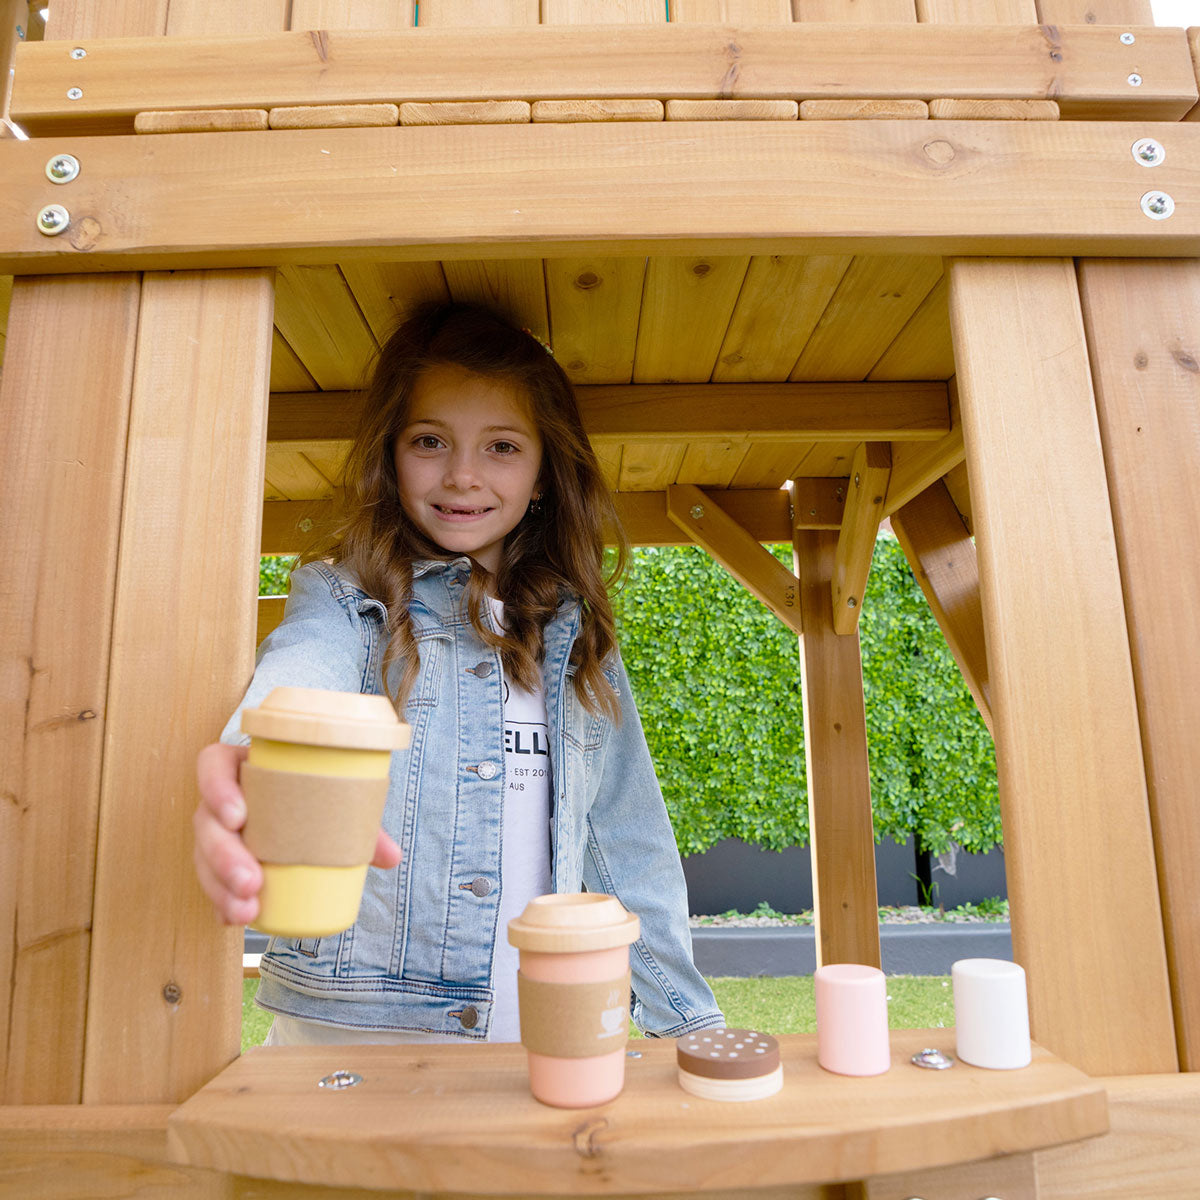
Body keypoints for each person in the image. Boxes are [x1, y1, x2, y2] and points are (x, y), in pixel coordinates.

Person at [193, 301, 724, 1045]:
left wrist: (690, 1025)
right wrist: (260, 765)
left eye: (502, 446)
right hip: (353, 1045)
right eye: (430, 440)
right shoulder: (349, 600)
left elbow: (627, 842)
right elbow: (296, 679)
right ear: (391, 453)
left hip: (538, 1041)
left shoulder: (576, 638)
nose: (463, 475)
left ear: (543, 474)